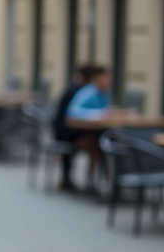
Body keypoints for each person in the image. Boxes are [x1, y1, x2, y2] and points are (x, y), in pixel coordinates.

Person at [65, 64, 126, 192]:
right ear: (96, 79)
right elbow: (73, 111)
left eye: (108, 79)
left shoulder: (105, 94)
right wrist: (99, 113)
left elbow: (107, 110)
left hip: (99, 132)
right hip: (77, 134)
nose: (108, 82)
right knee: (97, 146)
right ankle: (94, 183)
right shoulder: (88, 92)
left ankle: (110, 182)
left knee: (113, 145)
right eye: (105, 79)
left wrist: (111, 112)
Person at [51, 63, 97, 191]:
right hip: (67, 133)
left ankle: (70, 179)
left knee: (95, 143)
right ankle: (90, 183)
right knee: (95, 145)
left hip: (61, 132)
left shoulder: (73, 89)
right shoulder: (80, 91)